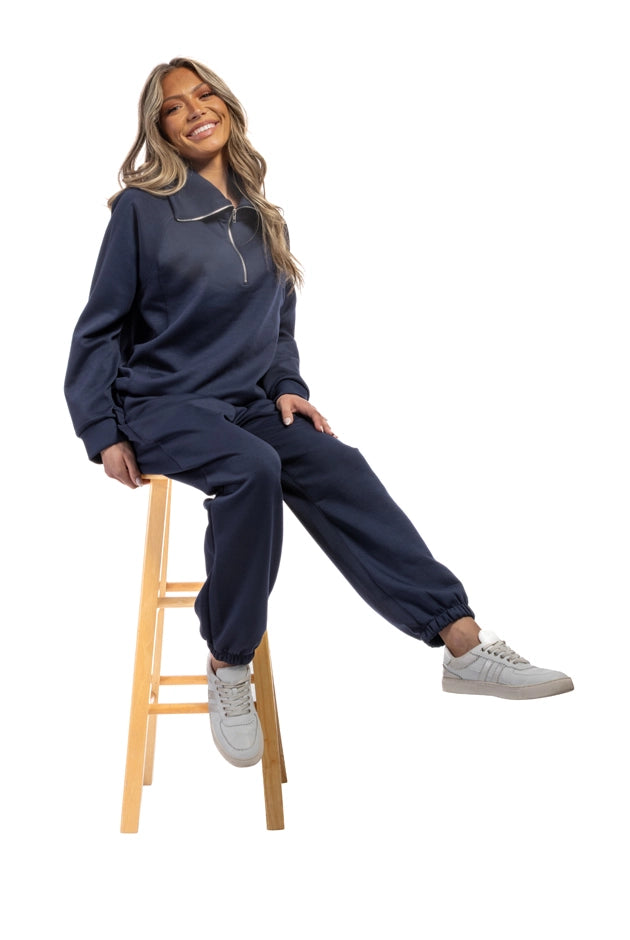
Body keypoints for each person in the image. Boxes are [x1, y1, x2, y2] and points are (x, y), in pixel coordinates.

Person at [64, 57, 573, 769]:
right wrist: (99, 428)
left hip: (246, 404)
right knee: (252, 468)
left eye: (204, 95)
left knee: (337, 464)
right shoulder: (142, 210)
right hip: (161, 405)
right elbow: (100, 326)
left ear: (228, 106)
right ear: (161, 130)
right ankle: (228, 661)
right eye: (175, 106)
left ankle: (460, 642)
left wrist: (286, 383)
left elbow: (278, 325)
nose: (195, 109)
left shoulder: (262, 216)